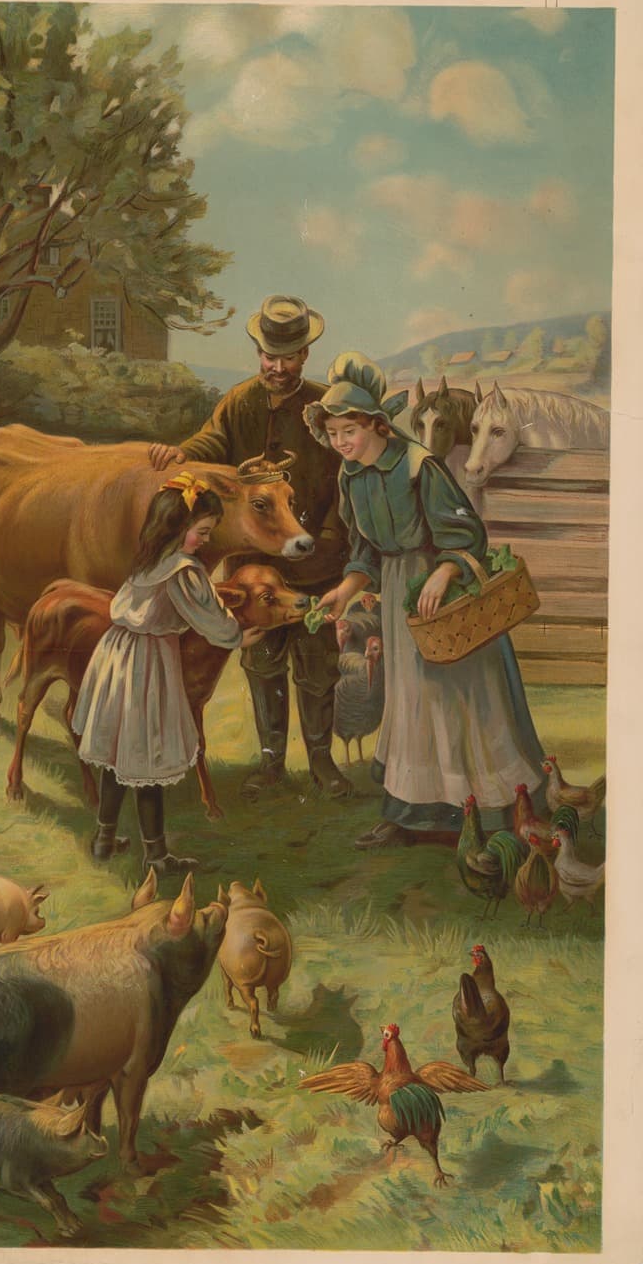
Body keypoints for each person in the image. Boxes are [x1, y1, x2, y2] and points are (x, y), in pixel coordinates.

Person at [305, 377, 547, 848]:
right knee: (411, 700)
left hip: (442, 595)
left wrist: (443, 573)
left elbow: (465, 533)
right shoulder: (349, 476)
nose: (340, 444)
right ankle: (408, 812)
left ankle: (484, 810)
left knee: (453, 697)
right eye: (332, 435)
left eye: (347, 432)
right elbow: (364, 551)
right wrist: (345, 590)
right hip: (398, 592)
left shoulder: (420, 466)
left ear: (376, 425)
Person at [148, 295, 351, 801]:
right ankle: (270, 764)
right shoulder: (239, 402)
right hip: (254, 574)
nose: (276, 367)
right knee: (261, 665)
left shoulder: (326, 408)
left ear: (305, 355)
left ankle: (323, 763)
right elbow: (210, 444)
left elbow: (342, 480)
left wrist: (327, 543)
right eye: (268, 355)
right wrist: (181, 453)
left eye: (286, 357)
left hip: (316, 566)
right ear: (258, 351)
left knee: (318, 667)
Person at [71, 472, 263, 874]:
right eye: (203, 532)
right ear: (179, 528)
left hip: (117, 657)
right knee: (147, 760)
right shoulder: (183, 570)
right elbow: (210, 616)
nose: (206, 541)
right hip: (146, 664)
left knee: (116, 755)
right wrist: (236, 637)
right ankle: (157, 856)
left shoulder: (148, 561)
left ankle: (105, 838)